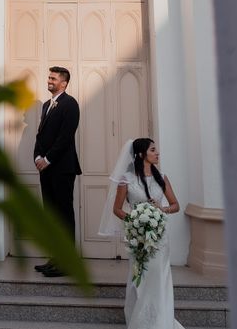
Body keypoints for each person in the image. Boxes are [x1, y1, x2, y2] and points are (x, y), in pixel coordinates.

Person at [98, 138, 183, 329]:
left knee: (160, 278)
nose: (157, 153)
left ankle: (162, 321)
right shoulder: (126, 179)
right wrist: (135, 220)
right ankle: (140, 321)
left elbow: (175, 205)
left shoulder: (162, 176)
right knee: (140, 278)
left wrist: (161, 209)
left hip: (160, 237)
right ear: (142, 154)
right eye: (153, 150)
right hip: (138, 238)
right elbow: (117, 209)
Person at [32, 66, 82, 278]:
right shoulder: (46, 105)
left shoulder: (70, 104)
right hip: (46, 169)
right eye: (49, 77)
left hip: (62, 168)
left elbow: (65, 136)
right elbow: (40, 136)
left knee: (64, 215)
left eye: (53, 78)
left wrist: (48, 159)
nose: (49, 80)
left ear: (64, 83)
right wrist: (37, 157)